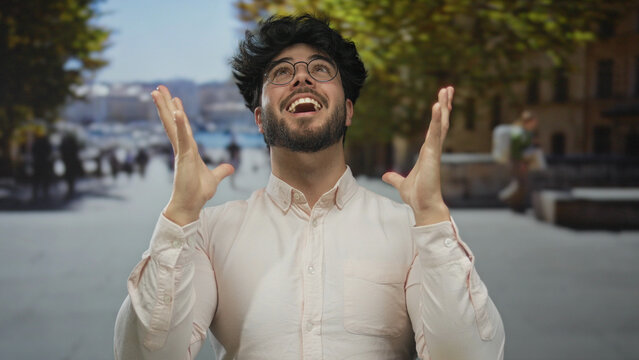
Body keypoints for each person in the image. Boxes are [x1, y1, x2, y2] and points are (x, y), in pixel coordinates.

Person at [114, 15, 504, 359]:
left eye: (320, 69)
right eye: (281, 72)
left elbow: (469, 356)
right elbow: (143, 355)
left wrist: (433, 219)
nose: (302, 77)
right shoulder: (210, 235)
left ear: (348, 110)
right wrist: (180, 214)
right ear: (260, 119)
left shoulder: (411, 231)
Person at [497, 110, 545, 212]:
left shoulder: (525, 133)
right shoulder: (519, 133)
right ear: (528, 122)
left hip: (521, 162)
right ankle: (505, 198)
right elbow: (517, 150)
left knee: (521, 184)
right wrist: (522, 162)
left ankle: (516, 203)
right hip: (518, 162)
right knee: (519, 184)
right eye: (533, 122)